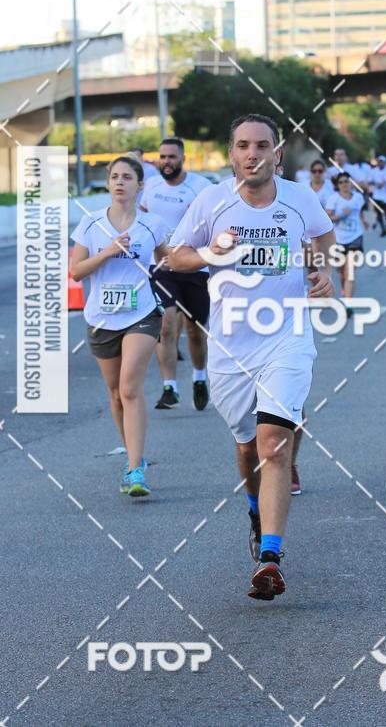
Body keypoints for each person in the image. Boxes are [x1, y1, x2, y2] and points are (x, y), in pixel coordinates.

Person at [168, 113, 335, 601]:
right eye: (243, 145)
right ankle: (253, 506)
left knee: (273, 446)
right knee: (246, 448)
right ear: (231, 153)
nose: (253, 153)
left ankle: (270, 557)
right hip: (230, 345)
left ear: (276, 154)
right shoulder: (211, 201)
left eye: (262, 145)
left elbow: (323, 237)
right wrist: (210, 254)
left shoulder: (300, 198)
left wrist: (323, 269)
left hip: (286, 335)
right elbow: (174, 255)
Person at [70, 156, 169, 497]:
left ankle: (136, 468)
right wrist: (108, 252)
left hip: (141, 314)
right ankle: (133, 459)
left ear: (139, 184)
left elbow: (167, 257)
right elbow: (77, 271)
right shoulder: (90, 224)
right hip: (102, 318)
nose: (119, 182)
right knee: (115, 395)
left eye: (127, 177)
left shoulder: (151, 224)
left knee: (129, 388)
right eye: (114, 176)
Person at [140, 137, 212, 411]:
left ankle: (199, 377)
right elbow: (144, 216)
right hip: (161, 267)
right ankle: (169, 388)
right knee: (166, 326)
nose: (166, 162)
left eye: (171, 157)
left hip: (194, 267)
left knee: (195, 332)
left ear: (182, 158)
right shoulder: (152, 186)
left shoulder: (201, 188)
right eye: (162, 157)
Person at [326, 171, 367, 313]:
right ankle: (345, 291)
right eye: (341, 182)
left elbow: (359, 212)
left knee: (350, 271)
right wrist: (341, 215)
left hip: (356, 237)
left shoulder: (358, 197)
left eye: (347, 181)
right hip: (338, 240)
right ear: (337, 185)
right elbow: (327, 218)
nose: (344, 184)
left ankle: (348, 304)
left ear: (351, 183)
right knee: (342, 272)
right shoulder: (333, 199)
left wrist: (364, 221)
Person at [369, 155, 386, 235]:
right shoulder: (373, 171)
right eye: (379, 161)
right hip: (376, 196)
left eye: (382, 161)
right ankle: (383, 228)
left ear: (384, 162)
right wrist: (375, 183)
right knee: (378, 213)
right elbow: (369, 181)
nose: (380, 163)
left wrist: (382, 184)